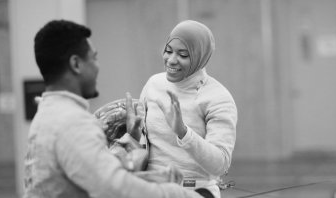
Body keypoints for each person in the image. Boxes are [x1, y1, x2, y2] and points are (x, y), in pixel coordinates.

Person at [23, 19, 206, 198]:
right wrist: (179, 194)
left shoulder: (49, 114)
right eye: (94, 58)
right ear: (76, 64)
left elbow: (90, 175)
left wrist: (131, 137)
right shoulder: (72, 122)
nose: (97, 66)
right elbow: (115, 189)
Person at [139, 20, 238, 198]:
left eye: (183, 55)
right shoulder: (154, 84)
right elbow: (141, 143)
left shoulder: (217, 98)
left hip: (194, 192)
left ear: (199, 56)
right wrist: (131, 129)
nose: (171, 60)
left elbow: (220, 164)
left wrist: (183, 132)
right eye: (168, 51)